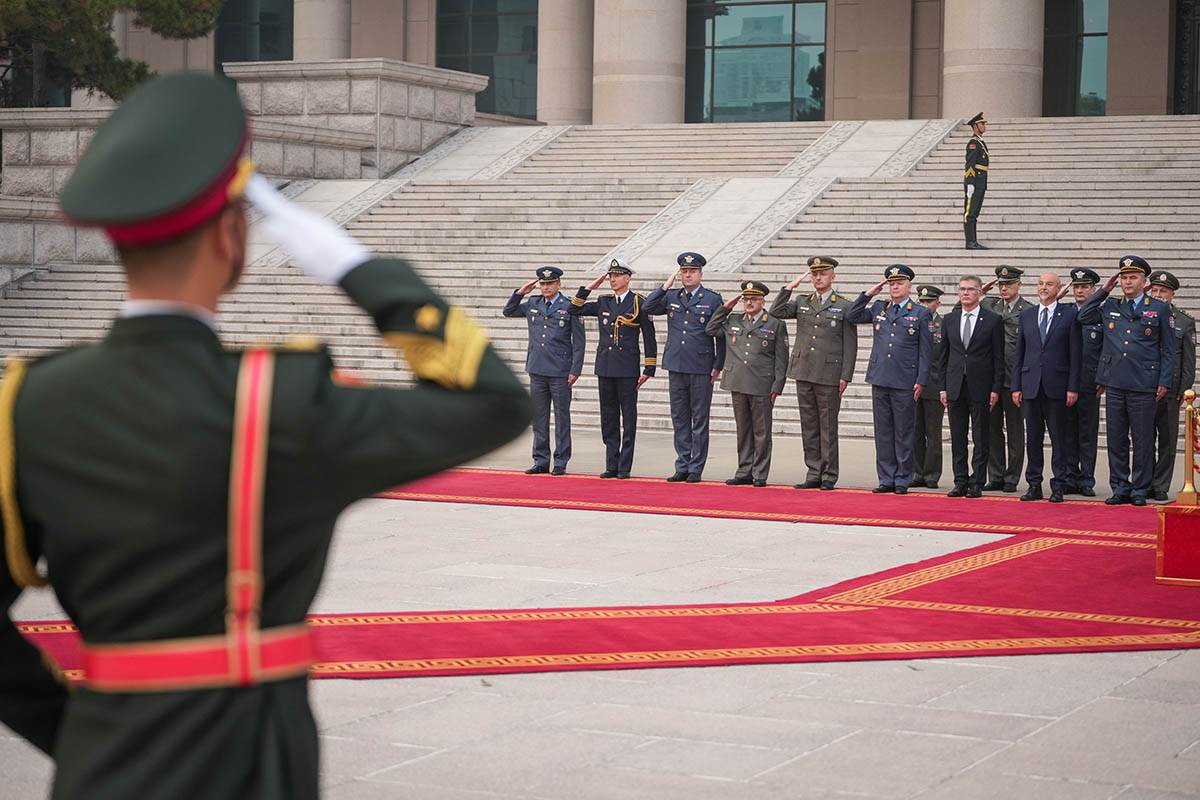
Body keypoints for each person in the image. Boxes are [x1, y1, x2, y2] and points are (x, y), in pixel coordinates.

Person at [0, 72, 530, 799]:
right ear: (230, 235)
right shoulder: (280, 400)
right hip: (248, 764)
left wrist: (73, 730)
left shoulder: (28, 402)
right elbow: (494, 403)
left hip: (101, 762)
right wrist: (356, 266)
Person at [1078, 256, 1176, 506]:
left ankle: (1140, 488)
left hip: (1144, 382)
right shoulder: (1110, 304)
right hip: (1115, 381)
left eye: (1133, 277)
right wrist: (1104, 290)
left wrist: (1164, 381)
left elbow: (1167, 349)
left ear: (1144, 282)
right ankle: (1120, 486)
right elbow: (1084, 316)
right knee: (1116, 438)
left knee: (1142, 439)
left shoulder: (1159, 308)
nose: (1127, 281)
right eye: (1123, 277)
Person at [770, 256, 857, 490]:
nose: (818, 278)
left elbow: (850, 343)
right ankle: (813, 471)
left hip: (829, 373)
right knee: (808, 424)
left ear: (832, 276)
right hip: (804, 370)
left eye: (823, 273)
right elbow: (776, 311)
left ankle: (829, 474)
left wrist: (845, 375)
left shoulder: (844, 305)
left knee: (828, 426)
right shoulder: (802, 301)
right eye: (814, 274)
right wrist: (789, 288)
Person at [846, 264, 933, 494]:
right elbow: (852, 316)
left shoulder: (920, 313)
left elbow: (926, 351)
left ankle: (903, 478)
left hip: (905, 379)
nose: (895, 287)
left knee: (904, 432)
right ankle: (886, 478)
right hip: (880, 377)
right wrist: (867, 295)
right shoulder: (879, 307)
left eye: (899, 283)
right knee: (883, 432)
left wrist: (921, 380)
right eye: (891, 283)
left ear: (909, 286)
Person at [570, 258, 657, 478]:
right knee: (608, 417)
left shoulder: (639, 302)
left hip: (627, 368)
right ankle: (611, 463)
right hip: (605, 367)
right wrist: (590, 287)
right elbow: (573, 309)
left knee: (628, 417)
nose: (612, 279)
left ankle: (625, 466)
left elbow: (649, 336)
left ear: (627, 278)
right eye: (610, 276)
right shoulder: (603, 301)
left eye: (617, 276)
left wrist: (649, 368)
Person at [643, 252, 724, 483]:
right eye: (684, 271)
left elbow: (720, 335)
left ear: (701, 274)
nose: (687, 275)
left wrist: (718, 363)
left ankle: (696, 467)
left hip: (701, 365)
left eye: (692, 271)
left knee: (699, 419)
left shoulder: (712, 299)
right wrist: (665, 285)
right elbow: (648, 307)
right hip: (676, 364)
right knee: (679, 417)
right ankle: (683, 463)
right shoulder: (671, 296)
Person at [503, 266, 585, 475]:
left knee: (561, 418)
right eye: (543, 284)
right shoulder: (533, 303)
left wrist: (575, 370)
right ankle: (540, 460)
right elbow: (509, 311)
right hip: (537, 368)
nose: (546, 287)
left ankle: (560, 461)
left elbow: (579, 342)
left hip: (560, 370)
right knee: (539, 418)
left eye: (550, 283)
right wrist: (521, 292)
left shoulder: (569, 306)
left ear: (558, 284)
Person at [706, 281, 789, 487]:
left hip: (762, 383)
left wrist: (777, 386)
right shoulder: (734, 319)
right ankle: (744, 470)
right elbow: (711, 328)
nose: (749, 303)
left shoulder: (775, 324)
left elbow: (781, 358)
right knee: (743, 430)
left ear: (763, 301)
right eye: (746, 299)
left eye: (754, 299)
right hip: (738, 382)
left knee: (761, 432)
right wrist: (726, 307)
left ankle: (760, 473)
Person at [1011, 273, 1082, 502]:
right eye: (1041, 283)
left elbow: (1075, 355)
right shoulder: (1027, 315)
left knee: (1059, 438)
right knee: (1033, 438)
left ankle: (1059, 484)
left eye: (1049, 284)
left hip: (1057, 387)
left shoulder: (1069, 316)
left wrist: (1073, 387)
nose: (1043, 287)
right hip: (1031, 386)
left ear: (1059, 288)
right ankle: (1034, 484)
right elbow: (1019, 354)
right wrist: (1016, 386)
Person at [938, 276, 1004, 497]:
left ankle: (977, 481)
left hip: (981, 386)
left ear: (979, 293)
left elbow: (998, 358)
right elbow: (943, 357)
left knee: (980, 437)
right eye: (962, 289)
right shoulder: (949, 319)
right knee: (957, 436)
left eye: (970, 290)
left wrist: (995, 388)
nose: (965, 293)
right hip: (955, 385)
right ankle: (960, 480)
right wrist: (942, 387)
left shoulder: (993, 320)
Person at [981, 266, 1032, 492]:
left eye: (1008, 284)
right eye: (1001, 284)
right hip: (991, 378)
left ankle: (1012, 477)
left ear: (1018, 285)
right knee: (992, 430)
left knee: (1014, 431)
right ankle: (996, 475)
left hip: (1014, 379)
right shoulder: (989, 305)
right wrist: (982, 292)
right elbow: (960, 309)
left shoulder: (1028, 310)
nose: (1004, 288)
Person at [1147, 270, 1196, 501]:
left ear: (1172, 294)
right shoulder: (1142, 315)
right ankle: (1145, 481)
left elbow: (1188, 361)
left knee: (1166, 439)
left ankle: (1160, 484)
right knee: (1144, 438)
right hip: (1144, 387)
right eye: (1154, 290)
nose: (1158, 295)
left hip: (1170, 390)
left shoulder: (1184, 321)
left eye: (1163, 291)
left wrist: (1184, 390)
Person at [1065, 268, 1103, 497]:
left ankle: (1086, 479)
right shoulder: (1065, 312)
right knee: (1067, 431)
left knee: (1087, 433)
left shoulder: (1102, 313)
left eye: (1084, 287)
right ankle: (1070, 477)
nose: (1079, 290)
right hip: (1066, 382)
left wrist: (1103, 378)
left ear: (1094, 290)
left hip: (1090, 382)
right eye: (1076, 287)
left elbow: (1108, 349)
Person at [912, 285, 946, 489]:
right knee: (915, 431)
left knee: (933, 433)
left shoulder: (943, 325)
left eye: (929, 302)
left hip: (934, 384)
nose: (925, 305)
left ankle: (932, 474)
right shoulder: (912, 322)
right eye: (922, 302)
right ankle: (917, 472)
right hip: (914, 384)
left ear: (937, 304)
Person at [963, 111, 990, 250]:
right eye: (981, 124)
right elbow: (970, 164)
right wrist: (970, 183)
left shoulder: (980, 142)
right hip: (974, 181)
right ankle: (970, 242)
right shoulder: (973, 143)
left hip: (981, 181)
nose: (984, 126)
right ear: (975, 126)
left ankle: (973, 241)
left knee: (975, 212)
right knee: (970, 212)